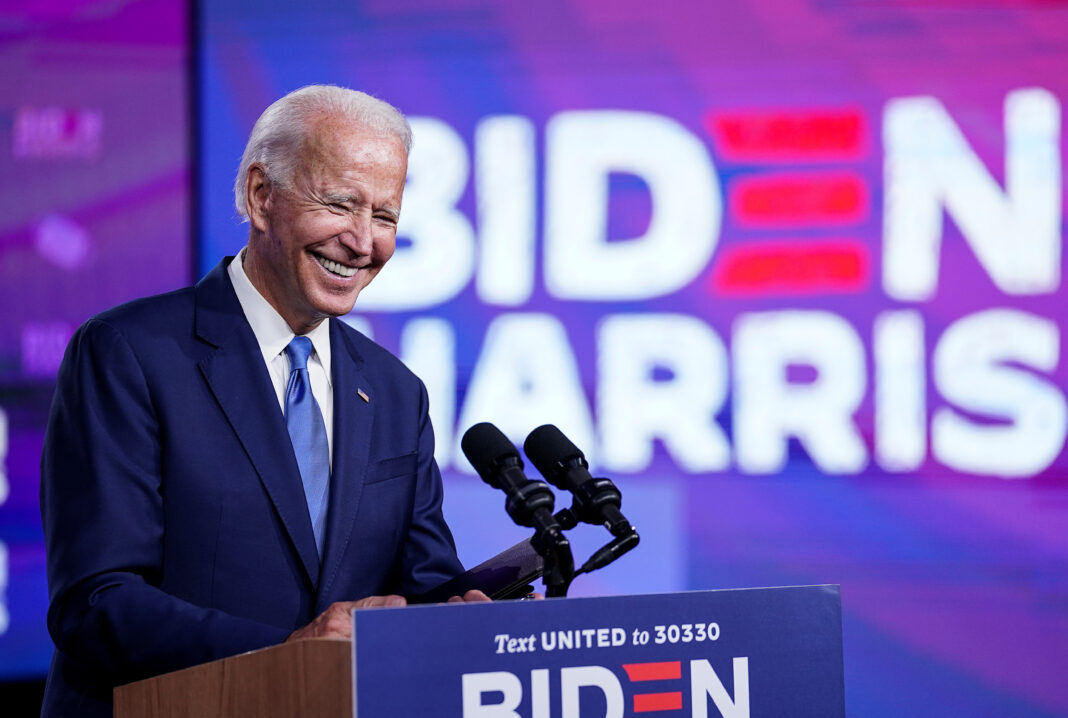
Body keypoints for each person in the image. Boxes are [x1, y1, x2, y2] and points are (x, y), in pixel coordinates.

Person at [39, 85, 486, 718]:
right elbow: (97, 602)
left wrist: (473, 618)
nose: (363, 243)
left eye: (384, 217)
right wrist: (288, 652)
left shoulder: (393, 392)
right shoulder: (128, 354)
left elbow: (422, 584)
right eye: (340, 204)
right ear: (260, 195)